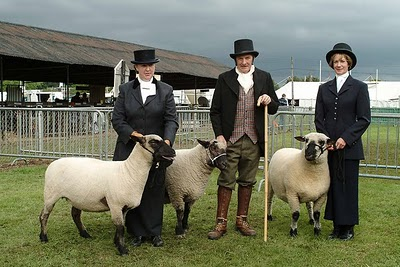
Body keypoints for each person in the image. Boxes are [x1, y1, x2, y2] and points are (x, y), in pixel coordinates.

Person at [208, 39, 279, 240]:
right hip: (230, 139)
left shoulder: (264, 77)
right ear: (236, 59)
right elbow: (215, 111)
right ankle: (221, 223)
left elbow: (274, 107)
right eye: (241, 58)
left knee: (247, 180)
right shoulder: (224, 78)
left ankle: (242, 220)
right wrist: (220, 134)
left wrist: (269, 100)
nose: (244, 62)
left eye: (247, 57)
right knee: (226, 180)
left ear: (253, 58)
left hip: (253, 140)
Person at [111, 49, 179, 247]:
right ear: (136, 68)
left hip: (157, 150)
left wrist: (166, 142)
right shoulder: (125, 90)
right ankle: (136, 232)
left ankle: (154, 231)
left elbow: (171, 120)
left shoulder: (166, 90)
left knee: (154, 187)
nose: (147, 69)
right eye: (143, 65)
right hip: (130, 149)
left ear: (154, 66)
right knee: (129, 190)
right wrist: (135, 135)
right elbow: (117, 119)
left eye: (151, 65)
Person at [315, 43, 371, 241]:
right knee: (334, 187)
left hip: (350, 147)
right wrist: (328, 141)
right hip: (329, 148)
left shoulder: (359, 87)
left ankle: (348, 227)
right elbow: (319, 118)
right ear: (332, 64)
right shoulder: (324, 89)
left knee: (348, 186)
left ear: (349, 63)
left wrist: (345, 139)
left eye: (342, 61)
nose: (339, 64)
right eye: (336, 61)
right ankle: (337, 226)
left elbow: (364, 119)